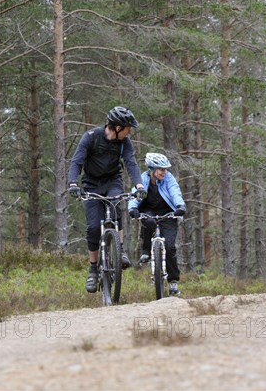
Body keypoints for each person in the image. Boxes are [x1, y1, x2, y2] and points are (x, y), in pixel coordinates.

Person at [68, 106, 147, 293]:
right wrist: (73, 183)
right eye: (128, 128)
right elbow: (76, 161)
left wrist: (139, 185)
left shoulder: (124, 142)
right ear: (117, 127)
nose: (130, 132)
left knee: (116, 205)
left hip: (113, 181)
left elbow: (131, 163)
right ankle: (93, 269)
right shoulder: (91, 137)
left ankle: (120, 250)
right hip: (91, 184)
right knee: (94, 227)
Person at [128, 153, 186, 296]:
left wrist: (180, 206)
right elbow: (136, 193)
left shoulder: (169, 179)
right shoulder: (143, 178)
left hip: (168, 213)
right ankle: (146, 251)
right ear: (152, 169)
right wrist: (132, 208)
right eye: (161, 169)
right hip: (149, 211)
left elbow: (174, 191)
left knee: (170, 247)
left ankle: (173, 282)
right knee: (148, 221)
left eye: (165, 169)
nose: (164, 172)